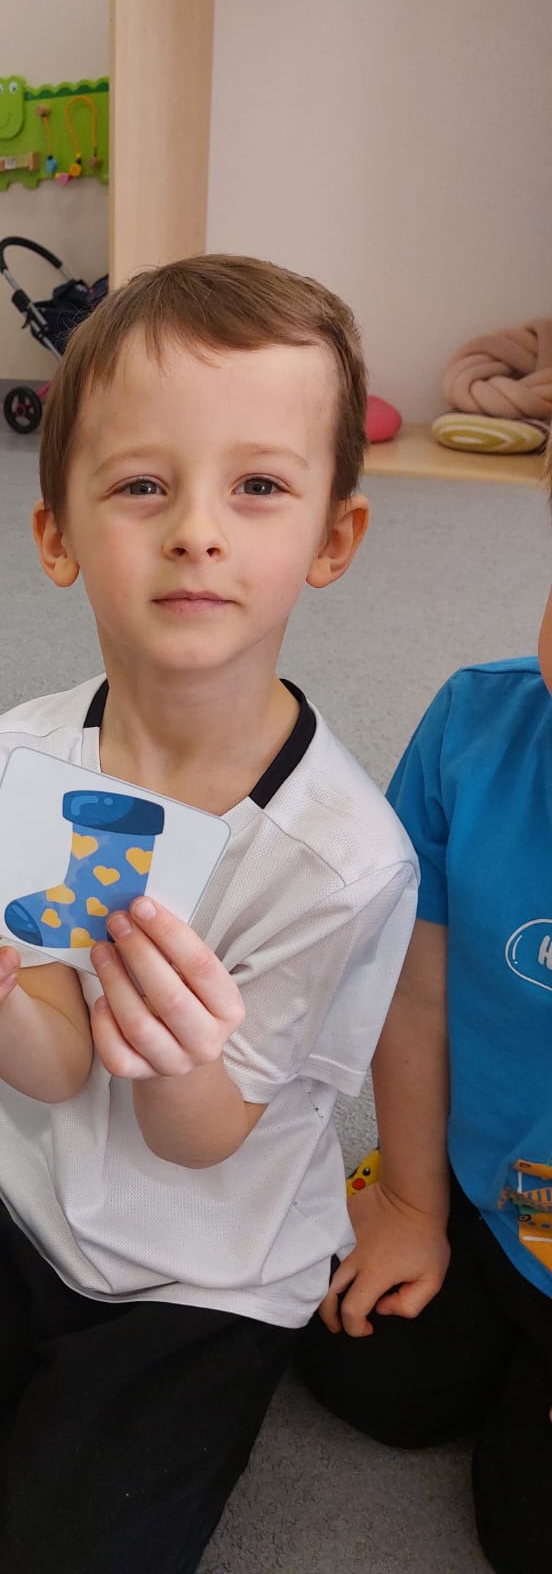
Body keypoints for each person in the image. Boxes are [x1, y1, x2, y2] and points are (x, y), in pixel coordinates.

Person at [0, 255, 419, 1574]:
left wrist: (174, 1049)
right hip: (29, 1183)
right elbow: (52, 1057)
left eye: (258, 487)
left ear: (333, 538)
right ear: (58, 535)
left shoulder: (343, 859)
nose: (197, 529)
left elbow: (201, 1137)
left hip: (209, 1260)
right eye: (143, 485)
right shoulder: (26, 753)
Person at [297, 448, 552, 1574]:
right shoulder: (474, 728)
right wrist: (410, 1196)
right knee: (369, 1373)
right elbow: (414, 985)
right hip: (493, 1192)